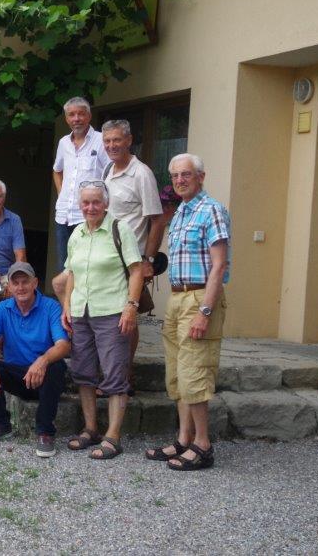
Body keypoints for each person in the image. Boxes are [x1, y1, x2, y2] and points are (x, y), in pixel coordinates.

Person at [145, 153, 230, 471]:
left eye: (186, 174)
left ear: (201, 177)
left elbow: (219, 266)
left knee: (195, 373)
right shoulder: (180, 212)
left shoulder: (212, 210)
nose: (180, 180)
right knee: (177, 374)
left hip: (199, 298)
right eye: (175, 175)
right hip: (177, 298)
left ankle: (203, 445)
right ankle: (184, 439)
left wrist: (205, 311)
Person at [62, 182, 143, 460]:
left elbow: (136, 271)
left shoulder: (120, 230)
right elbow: (71, 273)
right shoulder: (77, 233)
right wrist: (66, 306)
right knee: (84, 372)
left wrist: (131, 306)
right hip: (81, 312)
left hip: (111, 311)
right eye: (85, 202)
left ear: (106, 203)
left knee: (114, 373)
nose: (90, 207)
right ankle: (91, 429)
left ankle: (113, 436)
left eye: (96, 202)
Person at [0, 262, 70, 457]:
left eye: (25, 282)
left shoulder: (51, 306)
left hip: (43, 377)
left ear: (35, 283)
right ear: (9, 287)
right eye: (15, 283)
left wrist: (42, 361)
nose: (20, 287)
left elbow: (63, 345)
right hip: (18, 375)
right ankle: (1, 424)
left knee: (56, 367)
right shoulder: (2, 308)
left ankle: (45, 432)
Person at [101, 119, 165, 391]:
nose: (111, 146)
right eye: (107, 141)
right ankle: (112, 372)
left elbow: (157, 220)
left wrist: (148, 260)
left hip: (131, 261)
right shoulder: (108, 170)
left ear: (128, 140)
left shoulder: (141, 173)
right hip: (107, 258)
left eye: (117, 140)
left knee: (127, 317)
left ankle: (124, 376)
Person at [52, 97, 108, 271]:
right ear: (66, 119)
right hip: (63, 215)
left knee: (86, 268)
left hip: (88, 216)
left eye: (80, 114)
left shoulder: (101, 140)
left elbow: (110, 173)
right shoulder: (63, 143)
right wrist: (61, 193)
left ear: (89, 116)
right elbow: (57, 170)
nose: (76, 119)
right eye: (71, 115)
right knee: (64, 269)